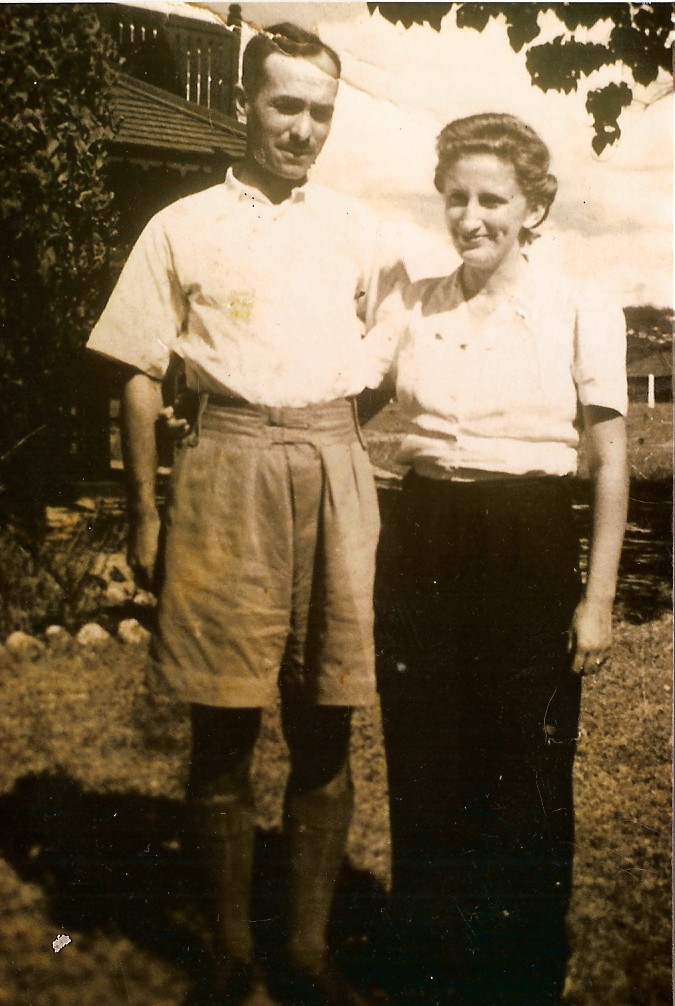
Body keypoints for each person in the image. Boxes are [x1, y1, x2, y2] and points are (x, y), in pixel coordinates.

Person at [87, 23, 400, 1006]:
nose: (303, 127)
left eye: (320, 110)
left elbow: (384, 365)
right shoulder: (181, 225)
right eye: (285, 105)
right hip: (224, 468)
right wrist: (146, 512)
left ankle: (304, 953)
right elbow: (139, 376)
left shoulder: (362, 231)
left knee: (327, 721)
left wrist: (328, 437)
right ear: (243, 105)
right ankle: (227, 952)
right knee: (221, 729)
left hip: (332, 467)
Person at [370, 113, 628, 1006]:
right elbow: (347, 398)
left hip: (526, 539)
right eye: (456, 198)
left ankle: (520, 975)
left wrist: (594, 599)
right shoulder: (414, 302)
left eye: (492, 199)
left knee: (523, 763)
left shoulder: (577, 305)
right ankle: (427, 964)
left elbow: (608, 458)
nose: (470, 217)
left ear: (532, 206)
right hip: (425, 535)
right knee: (426, 756)